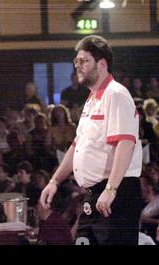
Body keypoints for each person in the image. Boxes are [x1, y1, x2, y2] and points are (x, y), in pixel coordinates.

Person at [40, 35, 143, 245]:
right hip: (93, 194)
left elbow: (126, 143)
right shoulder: (91, 99)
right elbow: (77, 145)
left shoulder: (116, 94)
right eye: (76, 61)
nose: (78, 66)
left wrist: (111, 189)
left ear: (102, 63)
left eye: (84, 61)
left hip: (116, 194)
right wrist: (54, 181)